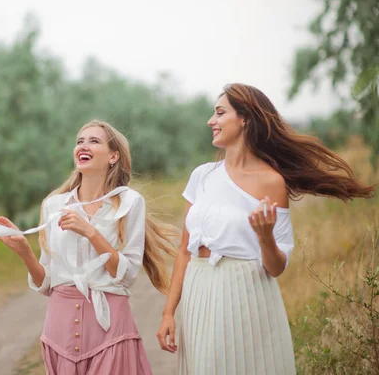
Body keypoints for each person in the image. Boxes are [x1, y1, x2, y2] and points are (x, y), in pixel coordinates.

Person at [156, 83, 375, 375]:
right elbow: (184, 252)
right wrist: (169, 313)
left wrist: (265, 237)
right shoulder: (201, 176)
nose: (211, 121)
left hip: (242, 293)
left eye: (220, 113)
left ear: (245, 118)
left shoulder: (271, 182)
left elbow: (275, 267)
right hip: (198, 289)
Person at [0, 119, 179, 375]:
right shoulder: (54, 205)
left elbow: (126, 275)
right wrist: (25, 251)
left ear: (113, 156)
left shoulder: (129, 202)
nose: (83, 145)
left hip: (110, 327)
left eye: (94, 141)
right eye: (80, 141)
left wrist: (90, 232)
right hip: (59, 328)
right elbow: (46, 283)